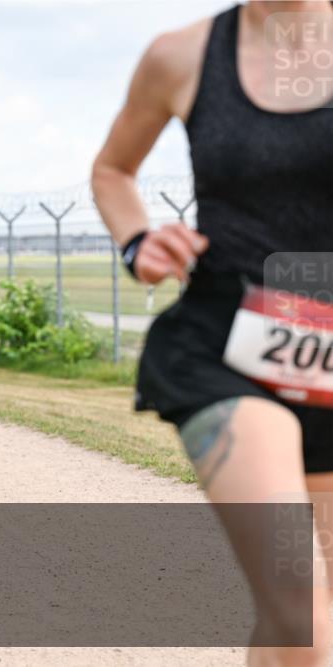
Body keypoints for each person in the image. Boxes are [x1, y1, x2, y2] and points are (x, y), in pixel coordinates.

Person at [92, 3, 333, 664]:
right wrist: (139, 240)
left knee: (300, 628)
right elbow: (112, 170)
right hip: (227, 346)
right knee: (302, 611)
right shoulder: (183, 54)